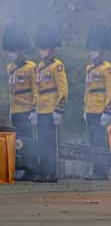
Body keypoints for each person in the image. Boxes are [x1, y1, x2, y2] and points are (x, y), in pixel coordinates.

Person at [32, 24, 68, 183]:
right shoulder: (39, 67)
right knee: (41, 144)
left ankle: (51, 174)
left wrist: (59, 110)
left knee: (51, 145)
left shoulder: (57, 66)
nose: (41, 50)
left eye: (43, 48)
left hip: (51, 110)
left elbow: (63, 90)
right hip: (40, 110)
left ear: (51, 49)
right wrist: (34, 110)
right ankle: (42, 172)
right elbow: (38, 90)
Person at [4, 24, 39, 180]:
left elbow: (36, 90)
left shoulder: (31, 68)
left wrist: (34, 110)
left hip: (27, 110)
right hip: (15, 110)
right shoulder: (9, 68)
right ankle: (22, 169)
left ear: (21, 49)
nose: (11, 54)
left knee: (28, 142)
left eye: (14, 50)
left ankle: (32, 169)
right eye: (9, 50)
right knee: (17, 142)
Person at [83, 26, 111, 180]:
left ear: (101, 51)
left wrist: (107, 111)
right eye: (91, 49)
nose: (92, 52)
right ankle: (96, 170)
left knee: (99, 142)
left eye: (94, 50)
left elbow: (110, 91)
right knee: (92, 143)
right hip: (90, 110)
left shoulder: (107, 68)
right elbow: (88, 91)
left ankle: (102, 172)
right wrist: (85, 109)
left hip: (100, 111)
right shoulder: (89, 68)